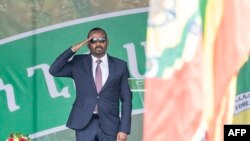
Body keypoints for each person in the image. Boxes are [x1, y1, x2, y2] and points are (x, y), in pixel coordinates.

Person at [49, 27, 132, 141]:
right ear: (88, 44)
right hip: (84, 123)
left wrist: (124, 129)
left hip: (110, 124)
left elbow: (127, 98)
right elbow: (54, 70)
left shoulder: (120, 66)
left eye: (102, 40)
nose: (98, 44)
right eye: (93, 41)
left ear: (107, 42)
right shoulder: (78, 62)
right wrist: (73, 49)